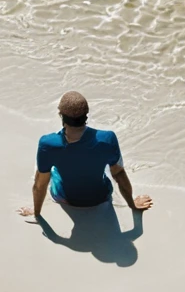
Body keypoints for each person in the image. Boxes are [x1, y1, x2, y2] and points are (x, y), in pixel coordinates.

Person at [18, 90, 153, 218]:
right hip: (100, 198)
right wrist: (132, 205)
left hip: (63, 198)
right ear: (86, 115)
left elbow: (40, 185)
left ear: (61, 115)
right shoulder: (107, 138)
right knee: (107, 162)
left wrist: (36, 213)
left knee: (44, 165)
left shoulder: (47, 143)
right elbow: (119, 174)